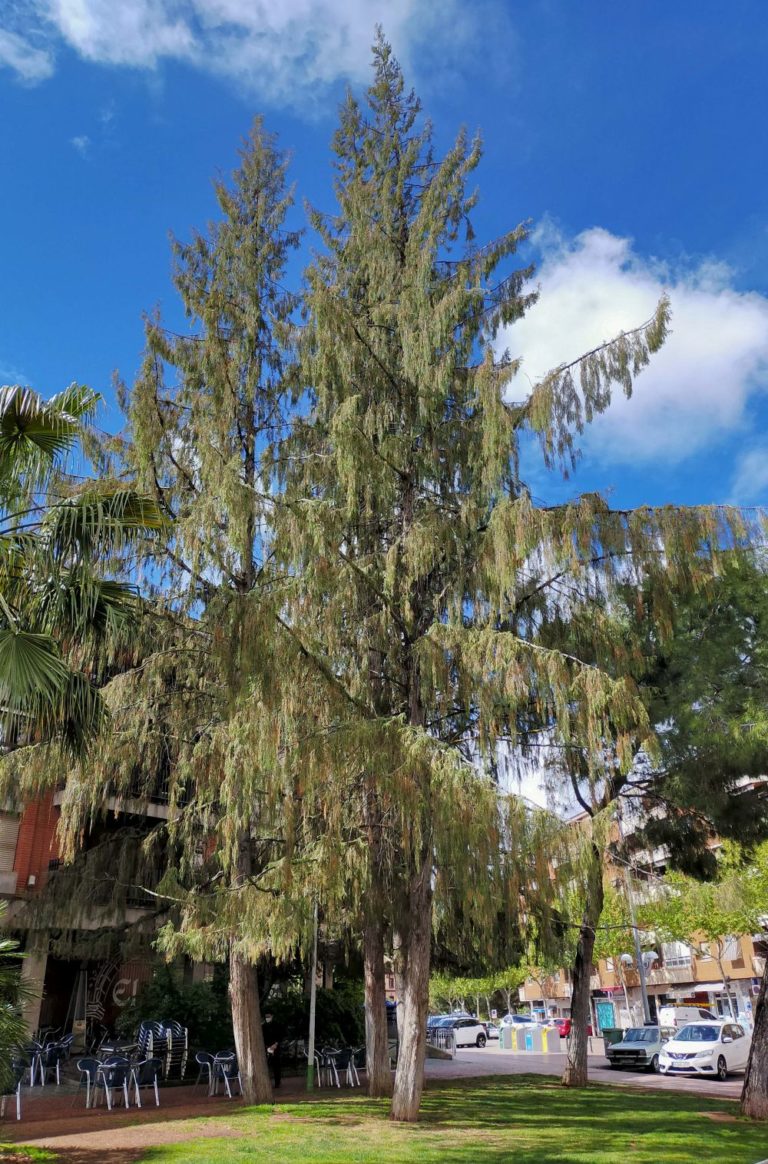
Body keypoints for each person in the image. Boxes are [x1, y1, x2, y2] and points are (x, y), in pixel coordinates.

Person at [262, 1012, 282, 1088]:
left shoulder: (277, 1025)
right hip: (266, 1047)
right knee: (266, 1066)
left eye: (268, 1016)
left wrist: (276, 1044)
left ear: (272, 1016)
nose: (267, 1018)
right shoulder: (263, 1026)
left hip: (276, 1047)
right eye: (266, 1016)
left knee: (276, 1066)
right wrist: (267, 1047)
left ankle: (277, 1082)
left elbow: (280, 1036)